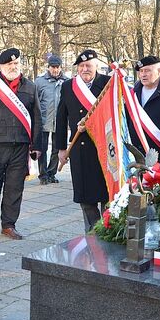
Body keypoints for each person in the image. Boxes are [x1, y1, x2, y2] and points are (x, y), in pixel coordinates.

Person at [0, 47, 41, 240]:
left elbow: (37, 117)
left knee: (14, 188)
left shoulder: (30, 87)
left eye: (16, 63)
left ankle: (9, 224)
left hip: (20, 145)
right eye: (9, 64)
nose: (13, 66)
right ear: (0, 66)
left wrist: (37, 145)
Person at [55, 49, 111, 231]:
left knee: (107, 194)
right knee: (85, 196)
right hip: (80, 148)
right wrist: (61, 149)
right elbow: (61, 117)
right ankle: (93, 232)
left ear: (96, 66)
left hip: (103, 146)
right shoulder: (68, 86)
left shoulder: (108, 83)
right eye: (81, 66)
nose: (85, 69)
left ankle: (108, 229)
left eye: (88, 65)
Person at [34, 55, 65, 184]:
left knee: (56, 149)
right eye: (53, 67)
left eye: (57, 67)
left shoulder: (66, 82)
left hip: (59, 121)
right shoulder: (40, 82)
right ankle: (43, 174)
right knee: (42, 148)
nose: (55, 70)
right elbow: (35, 101)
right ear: (48, 67)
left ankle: (52, 173)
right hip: (43, 121)